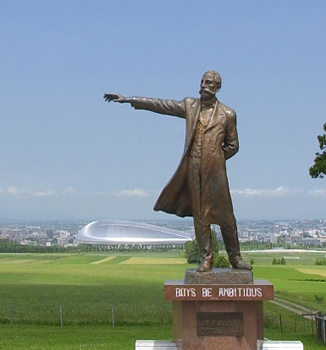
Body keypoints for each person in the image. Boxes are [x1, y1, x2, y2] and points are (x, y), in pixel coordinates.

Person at [104, 71, 251, 272]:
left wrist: (214, 158)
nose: (203, 86)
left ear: (217, 87)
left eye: (208, 83)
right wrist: (130, 99)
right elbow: (162, 105)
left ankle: (236, 259)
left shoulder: (228, 114)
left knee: (226, 217)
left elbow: (233, 145)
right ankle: (206, 258)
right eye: (201, 82)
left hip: (215, 173)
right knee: (200, 217)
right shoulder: (190, 105)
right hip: (192, 169)